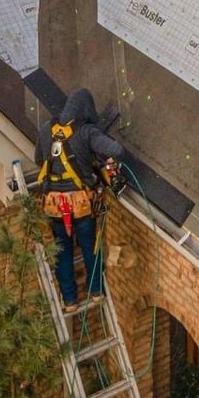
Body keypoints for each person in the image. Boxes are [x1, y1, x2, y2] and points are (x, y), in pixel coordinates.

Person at [34, 89, 126, 309]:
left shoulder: (48, 129)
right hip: (82, 205)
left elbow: (39, 159)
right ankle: (95, 292)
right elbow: (116, 149)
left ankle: (70, 300)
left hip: (55, 207)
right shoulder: (86, 132)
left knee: (62, 254)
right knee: (90, 248)